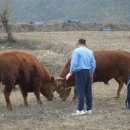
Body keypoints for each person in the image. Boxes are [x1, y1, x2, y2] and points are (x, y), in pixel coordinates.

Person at [66, 38, 96, 116]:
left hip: (80, 72)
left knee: (80, 91)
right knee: (88, 91)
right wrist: (91, 73)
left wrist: (70, 72)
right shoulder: (90, 52)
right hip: (88, 71)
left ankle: (80, 110)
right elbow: (93, 64)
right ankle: (89, 109)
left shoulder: (76, 51)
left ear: (78, 43)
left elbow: (74, 64)